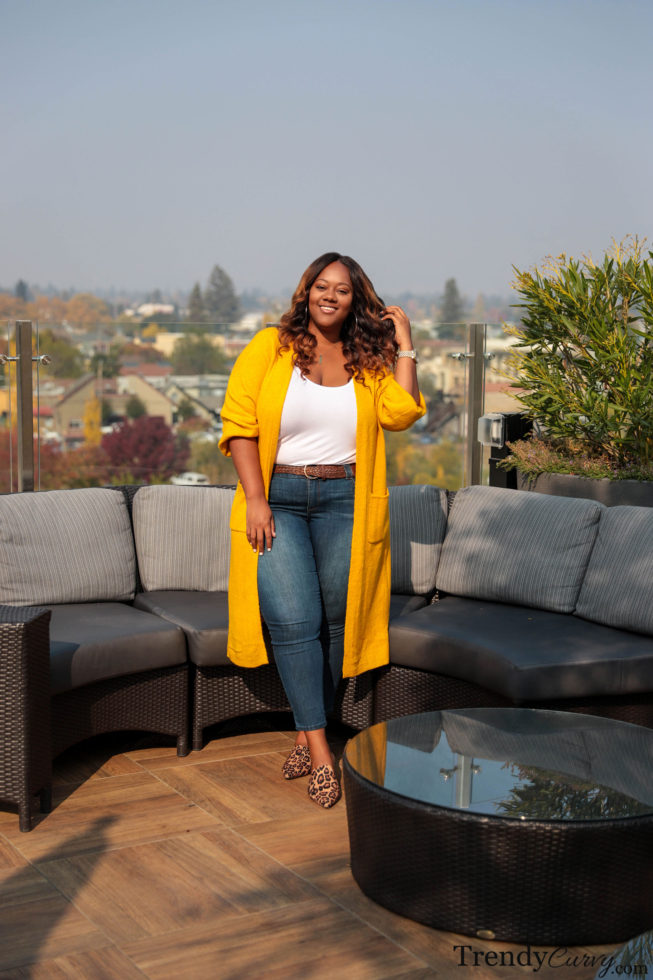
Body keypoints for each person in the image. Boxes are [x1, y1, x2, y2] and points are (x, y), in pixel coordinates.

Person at [218, 252, 425, 807]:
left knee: (335, 623)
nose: (329, 296)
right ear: (306, 291)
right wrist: (256, 502)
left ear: (356, 300)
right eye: (321, 286)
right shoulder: (271, 347)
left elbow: (401, 413)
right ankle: (325, 756)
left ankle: (308, 736)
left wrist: (404, 342)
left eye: (342, 290)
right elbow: (238, 423)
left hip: (344, 500)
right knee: (293, 620)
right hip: (278, 497)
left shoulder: (368, 358)